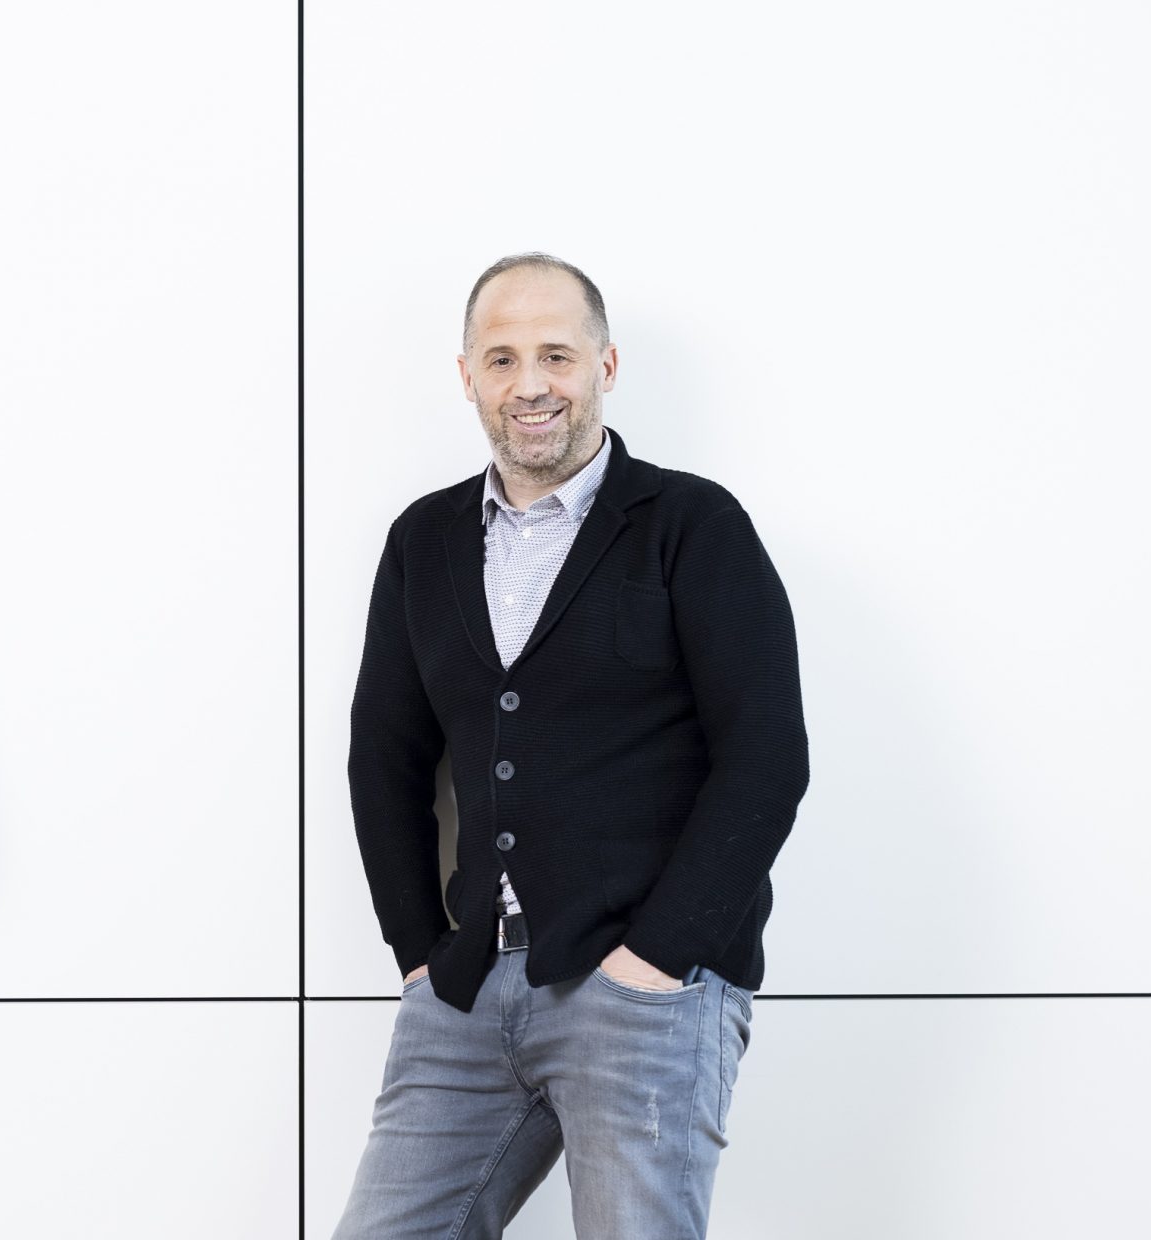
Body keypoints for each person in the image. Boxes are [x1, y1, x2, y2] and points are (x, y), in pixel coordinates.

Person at [333, 254, 808, 1239]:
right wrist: (418, 956)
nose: (530, 384)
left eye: (556, 354)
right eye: (501, 358)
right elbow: (383, 757)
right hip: (467, 988)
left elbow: (766, 755)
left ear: (605, 365)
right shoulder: (424, 541)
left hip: (640, 987)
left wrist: (657, 960)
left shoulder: (691, 525)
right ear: (468, 376)